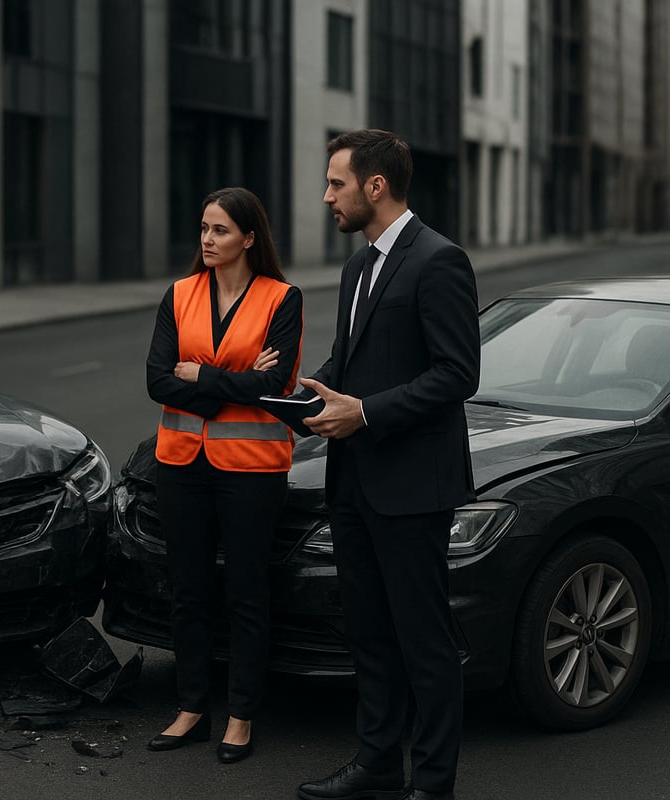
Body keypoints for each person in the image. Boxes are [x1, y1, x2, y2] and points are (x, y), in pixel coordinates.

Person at [295, 129, 479, 800]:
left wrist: (365, 413)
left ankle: (432, 784)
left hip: (411, 488)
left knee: (424, 642)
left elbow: (457, 374)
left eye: (336, 183)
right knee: (369, 635)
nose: (326, 197)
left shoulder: (439, 260)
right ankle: (376, 765)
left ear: (375, 186)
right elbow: (348, 365)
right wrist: (292, 399)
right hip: (353, 483)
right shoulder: (357, 268)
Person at [144, 187, 303, 765]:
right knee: (188, 592)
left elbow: (275, 384)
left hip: (252, 470)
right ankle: (191, 708)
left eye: (220, 230)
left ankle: (241, 716)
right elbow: (158, 380)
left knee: (245, 593)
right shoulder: (179, 293)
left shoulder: (282, 299)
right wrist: (232, 383)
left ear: (249, 238)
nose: (208, 240)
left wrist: (200, 376)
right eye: (204, 229)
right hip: (181, 464)